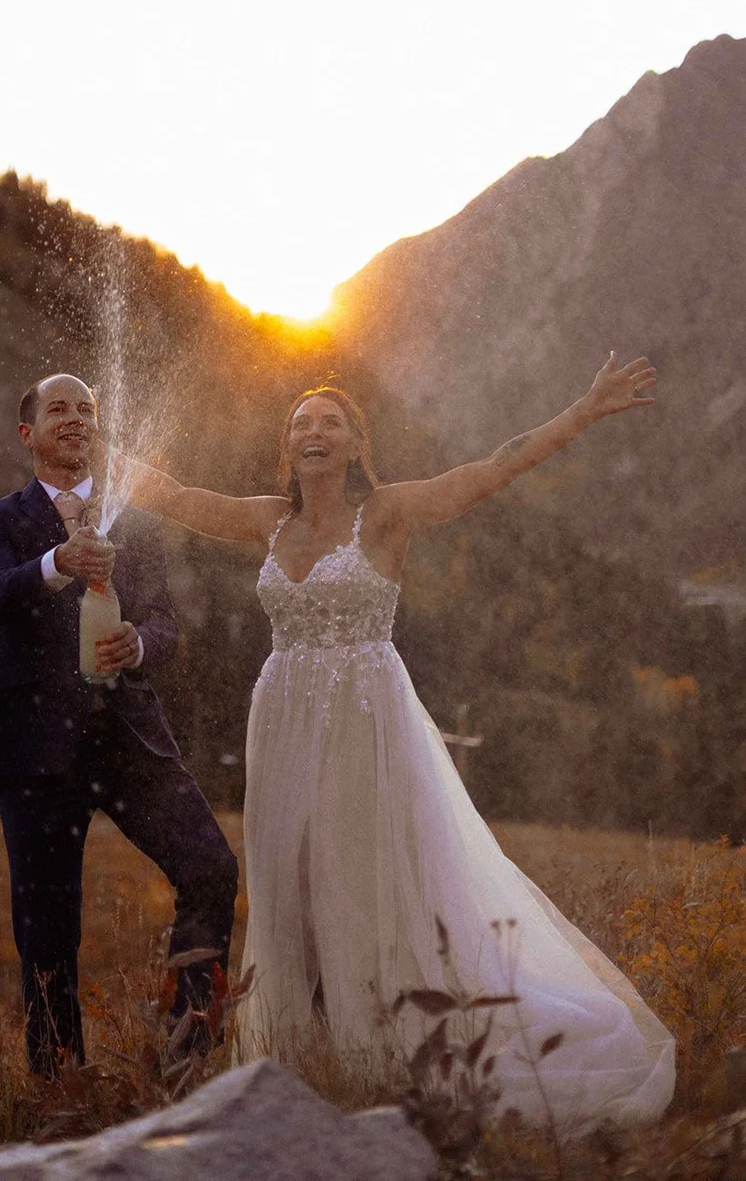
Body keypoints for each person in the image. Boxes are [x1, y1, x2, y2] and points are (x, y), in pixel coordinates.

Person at [114, 353, 675, 1132]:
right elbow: (173, 496)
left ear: (353, 445)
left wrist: (580, 411)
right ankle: (302, 1055)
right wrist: (98, 448)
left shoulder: (387, 514)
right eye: (300, 424)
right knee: (288, 883)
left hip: (363, 722)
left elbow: (492, 467)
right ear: (287, 448)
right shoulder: (264, 521)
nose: (313, 432)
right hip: (281, 721)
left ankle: (380, 1052)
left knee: (361, 880)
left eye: (329, 422)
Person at [0, 373, 237, 1077]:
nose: (76, 418)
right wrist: (57, 562)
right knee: (48, 932)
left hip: (129, 741)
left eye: (86, 409)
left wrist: (138, 644)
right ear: (28, 434)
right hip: (35, 751)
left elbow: (164, 623)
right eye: (58, 408)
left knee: (209, 867)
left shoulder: (132, 521)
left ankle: (188, 1056)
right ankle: (60, 1089)